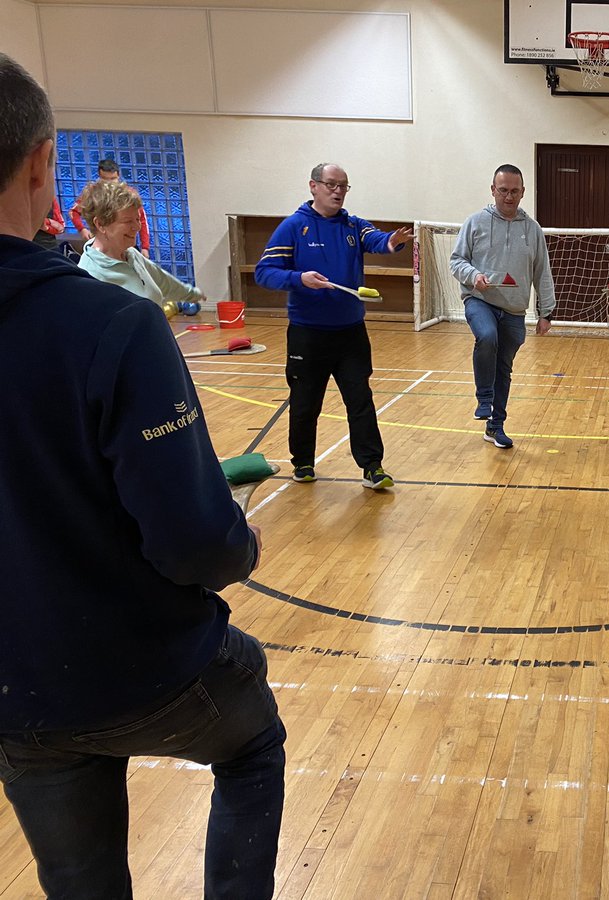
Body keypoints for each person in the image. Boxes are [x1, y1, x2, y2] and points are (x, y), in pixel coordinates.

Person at [0, 54, 285, 899]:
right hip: (138, 666)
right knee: (252, 743)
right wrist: (241, 546)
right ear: (43, 163)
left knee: (77, 879)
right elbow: (195, 542)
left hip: (14, 691)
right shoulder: (107, 324)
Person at [254, 163, 410, 489]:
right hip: (307, 335)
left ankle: (372, 467)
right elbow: (264, 272)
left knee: (360, 401)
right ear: (313, 186)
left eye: (343, 185)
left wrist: (393, 242)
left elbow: (378, 240)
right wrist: (299, 278)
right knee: (305, 403)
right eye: (331, 184)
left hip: (351, 334)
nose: (337, 191)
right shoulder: (294, 227)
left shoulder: (353, 225)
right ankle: (303, 463)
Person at [449, 164, 555, 450]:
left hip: (514, 311)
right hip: (480, 300)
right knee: (486, 336)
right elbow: (456, 261)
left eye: (514, 191)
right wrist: (474, 276)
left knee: (504, 368)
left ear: (523, 192)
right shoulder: (475, 222)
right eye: (503, 190)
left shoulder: (532, 230)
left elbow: (542, 272)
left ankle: (495, 427)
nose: (509, 197)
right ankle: (484, 399)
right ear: (493, 190)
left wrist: (546, 312)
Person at [76, 178, 204, 313]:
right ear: (100, 224)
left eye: (137, 219)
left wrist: (192, 294)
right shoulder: (91, 277)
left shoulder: (131, 254)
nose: (137, 227)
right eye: (128, 221)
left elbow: (163, 281)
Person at [70, 158, 151, 256]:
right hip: (101, 246)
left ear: (118, 176)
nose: (109, 183)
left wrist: (145, 247)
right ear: (100, 177)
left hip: (126, 244)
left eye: (113, 179)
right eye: (105, 179)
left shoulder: (128, 194)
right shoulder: (92, 193)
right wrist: (82, 229)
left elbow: (141, 219)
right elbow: (73, 212)